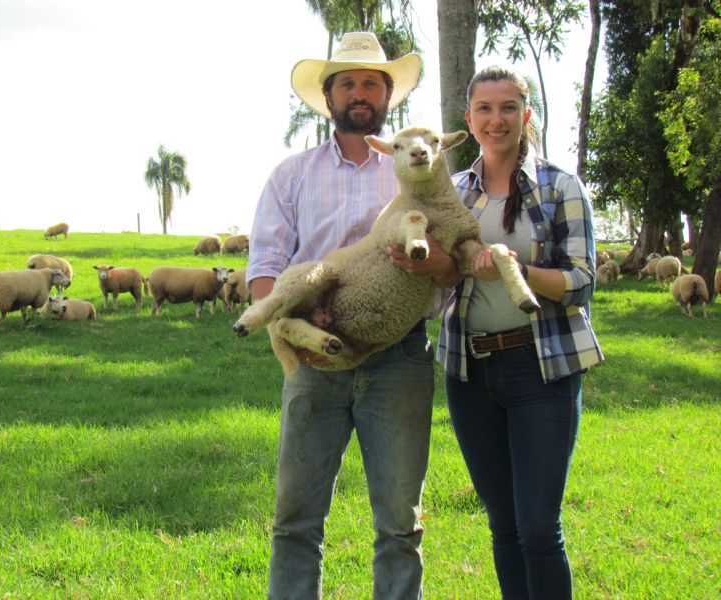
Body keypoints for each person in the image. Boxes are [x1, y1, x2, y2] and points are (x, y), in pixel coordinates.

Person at [246, 31, 445, 599]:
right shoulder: (292, 175)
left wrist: (431, 262)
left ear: (388, 96)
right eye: (348, 84)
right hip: (314, 360)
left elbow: (449, 259)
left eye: (372, 84)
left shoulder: (419, 171)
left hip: (399, 356)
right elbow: (266, 264)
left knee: (400, 523)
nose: (361, 93)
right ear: (329, 97)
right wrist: (288, 330)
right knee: (295, 520)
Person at [426, 65, 604, 599]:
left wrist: (516, 269)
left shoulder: (561, 186)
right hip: (470, 372)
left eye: (508, 108)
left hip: (541, 370)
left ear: (526, 116)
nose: (496, 119)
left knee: (538, 530)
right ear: (469, 119)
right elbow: (442, 277)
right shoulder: (454, 192)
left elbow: (581, 282)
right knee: (502, 524)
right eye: (484, 108)